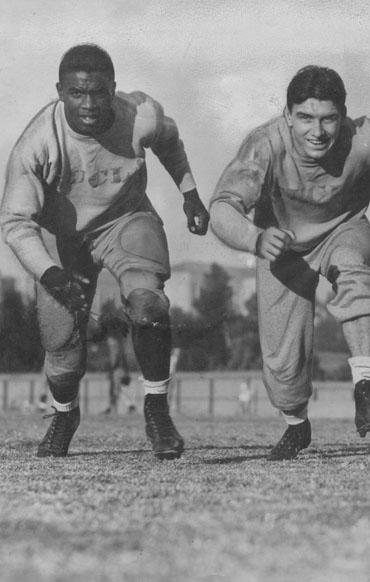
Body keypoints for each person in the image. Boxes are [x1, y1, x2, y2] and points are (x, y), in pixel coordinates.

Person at [0, 44, 210, 460]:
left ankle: (156, 410)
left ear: (114, 87)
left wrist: (190, 193)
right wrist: (51, 274)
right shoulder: (36, 143)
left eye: (99, 92)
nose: (90, 104)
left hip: (125, 220)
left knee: (149, 305)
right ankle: (64, 414)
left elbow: (170, 142)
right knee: (61, 348)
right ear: (60, 91)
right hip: (63, 238)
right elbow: (15, 224)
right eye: (78, 93)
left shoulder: (140, 115)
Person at [209, 65, 370, 460]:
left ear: (343, 116)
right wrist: (256, 238)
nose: (318, 131)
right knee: (283, 370)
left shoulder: (363, 138)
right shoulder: (265, 146)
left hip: (343, 230)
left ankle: (366, 390)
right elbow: (223, 208)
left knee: (354, 271)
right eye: (306, 118)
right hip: (283, 246)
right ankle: (296, 424)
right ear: (287, 116)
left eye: (328, 118)